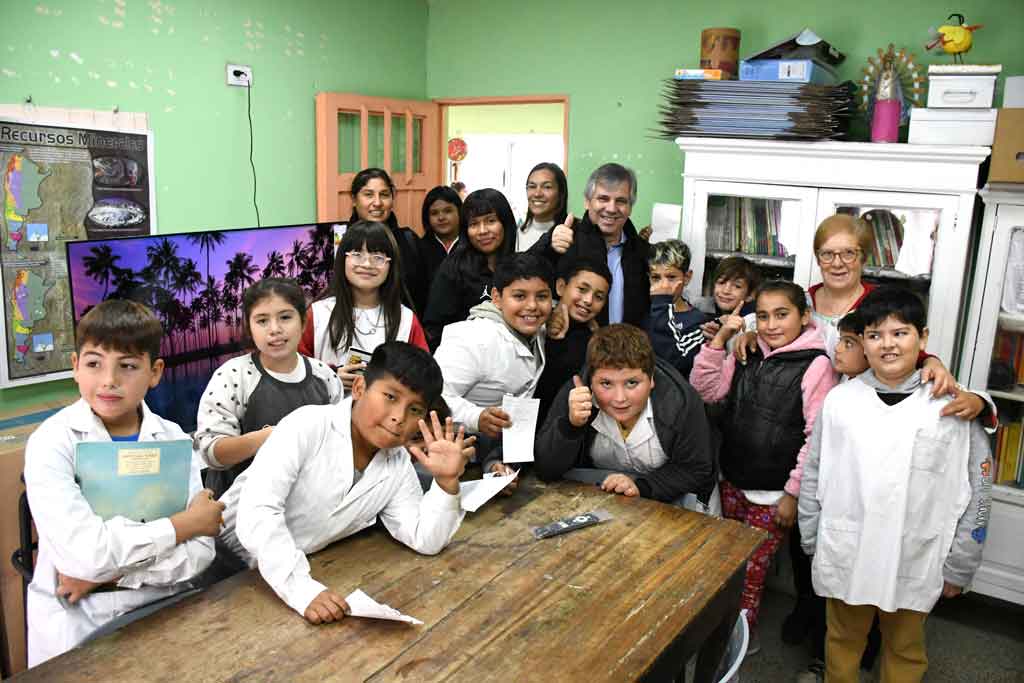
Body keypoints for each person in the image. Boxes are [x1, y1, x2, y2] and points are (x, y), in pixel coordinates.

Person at [798, 287, 991, 683]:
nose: (887, 344)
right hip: (848, 549)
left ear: (922, 339)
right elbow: (816, 470)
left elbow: (978, 488)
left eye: (900, 333)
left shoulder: (952, 407)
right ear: (862, 344)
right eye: (874, 335)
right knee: (842, 641)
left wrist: (962, 562)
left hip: (915, 555)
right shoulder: (841, 402)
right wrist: (811, 534)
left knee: (904, 649)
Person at [23, 300, 222, 666]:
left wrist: (107, 577)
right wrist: (183, 525)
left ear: (155, 371)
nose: (109, 380)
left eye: (128, 365)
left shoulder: (173, 438)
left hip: (165, 609)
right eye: (94, 363)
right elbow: (84, 555)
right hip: (79, 618)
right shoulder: (51, 442)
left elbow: (200, 552)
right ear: (75, 368)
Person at [219, 342, 470, 623]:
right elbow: (258, 514)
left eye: (414, 410)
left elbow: (425, 538)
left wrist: (447, 482)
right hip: (219, 563)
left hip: (276, 579)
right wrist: (302, 589)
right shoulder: (307, 426)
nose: (399, 417)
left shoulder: (397, 463)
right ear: (360, 388)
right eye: (390, 396)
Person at [690, 280, 837, 654]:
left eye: (782, 315)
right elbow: (705, 391)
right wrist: (722, 339)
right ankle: (716, 632)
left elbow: (815, 437)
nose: (772, 325)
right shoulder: (748, 350)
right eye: (764, 316)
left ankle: (738, 641)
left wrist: (792, 493)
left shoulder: (817, 364)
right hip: (732, 480)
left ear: (804, 317)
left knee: (752, 575)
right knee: (724, 566)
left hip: (773, 493)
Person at [534, 324, 715, 506]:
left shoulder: (680, 403)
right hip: (598, 499)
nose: (620, 398)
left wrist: (642, 487)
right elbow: (545, 470)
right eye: (606, 383)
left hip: (675, 503)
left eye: (631, 383)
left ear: (651, 379)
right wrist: (571, 426)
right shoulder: (577, 395)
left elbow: (696, 469)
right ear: (591, 380)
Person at [195, 278, 343, 499]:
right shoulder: (233, 375)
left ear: (303, 322)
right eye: (262, 321)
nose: (275, 329)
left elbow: (338, 445)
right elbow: (212, 453)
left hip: (307, 505)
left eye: (285, 317)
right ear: (249, 328)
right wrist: (271, 437)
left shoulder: (325, 376)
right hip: (239, 509)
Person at [433, 252, 552, 481]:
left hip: (498, 455)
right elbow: (432, 397)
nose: (532, 306)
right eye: (519, 296)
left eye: (542, 296)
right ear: (496, 298)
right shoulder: (473, 338)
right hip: (451, 459)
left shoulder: (537, 328)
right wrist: (476, 416)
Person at [299, 221, 428, 389]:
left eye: (378, 257)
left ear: (391, 265)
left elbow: (423, 375)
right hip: (328, 411)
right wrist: (331, 378)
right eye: (357, 254)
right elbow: (293, 369)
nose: (367, 264)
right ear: (343, 259)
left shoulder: (406, 319)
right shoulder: (317, 313)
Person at [529, 163, 650, 328]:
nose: (612, 208)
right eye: (603, 199)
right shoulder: (566, 237)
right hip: (574, 349)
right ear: (587, 201)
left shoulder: (642, 251)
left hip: (628, 350)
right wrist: (548, 245)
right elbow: (518, 275)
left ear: (630, 207)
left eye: (621, 201)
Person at [423, 188, 517, 347]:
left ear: (505, 223)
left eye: (491, 221)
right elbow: (434, 329)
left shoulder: (517, 266)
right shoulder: (453, 268)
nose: (482, 231)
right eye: (474, 224)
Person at [534, 259, 611, 423]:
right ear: (561, 287)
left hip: (564, 429)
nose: (588, 300)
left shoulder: (597, 342)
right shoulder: (533, 321)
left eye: (599, 297)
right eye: (582, 289)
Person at [347, 168, 426, 313]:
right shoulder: (341, 242)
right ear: (354, 199)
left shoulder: (409, 241)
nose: (377, 202)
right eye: (368, 194)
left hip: (403, 330)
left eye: (384, 195)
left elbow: (424, 295)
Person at [646, 239, 707, 379]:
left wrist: (662, 304)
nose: (663, 285)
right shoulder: (642, 312)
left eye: (671, 277)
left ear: (687, 277)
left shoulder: (697, 321)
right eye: (655, 278)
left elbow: (674, 361)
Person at [695, 255, 760, 342]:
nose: (726, 291)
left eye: (737, 286)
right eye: (721, 282)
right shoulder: (700, 306)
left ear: (750, 295)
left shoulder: (753, 318)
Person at [515, 162, 568, 252]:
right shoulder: (517, 235)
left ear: (560, 193)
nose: (537, 194)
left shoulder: (570, 234)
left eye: (547, 187)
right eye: (532, 186)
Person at [419, 185, 463, 293]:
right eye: (434, 213)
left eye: (448, 211)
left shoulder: (472, 246)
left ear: (459, 212)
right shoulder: (419, 249)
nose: (441, 218)